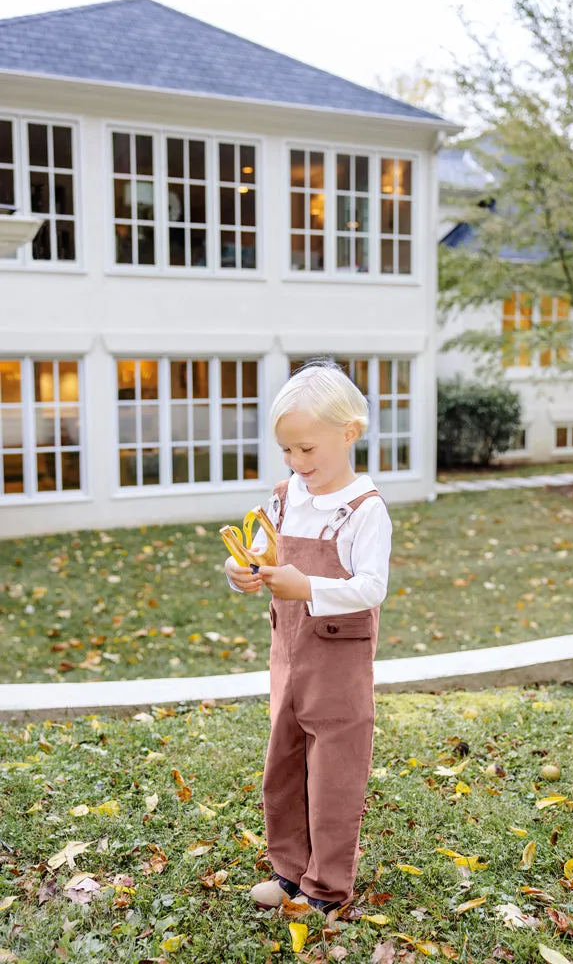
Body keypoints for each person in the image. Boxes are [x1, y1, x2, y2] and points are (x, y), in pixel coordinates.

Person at [224, 359, 393, 915]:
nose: (298, 463)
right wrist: (244, 573)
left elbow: (371, 587)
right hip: (287, 654)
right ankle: (290, 870)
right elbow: (260, 553)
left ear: (347, 434)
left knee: (332, 777)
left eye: (308, 450)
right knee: (284, 765)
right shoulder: (284, 495)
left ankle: (325, 887)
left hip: (337, 661)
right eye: (289, 451)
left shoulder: (363, 511)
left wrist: (308, 586)